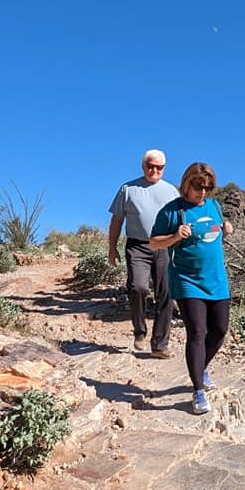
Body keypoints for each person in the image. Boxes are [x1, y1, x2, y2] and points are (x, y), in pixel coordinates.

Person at [149, 162, 233, 414]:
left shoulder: (214, 207)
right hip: (187, 280)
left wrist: (227, 229)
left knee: (219, 331)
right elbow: (153, 243)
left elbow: (215, 232)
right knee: (197, 332)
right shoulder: (172, 211)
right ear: (187, 184)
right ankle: (197, 391)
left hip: (217, 280)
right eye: (198, 187)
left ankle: (201, 368)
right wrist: (175, 236)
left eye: (208, 187)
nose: (203, 192)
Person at [108, 149, 179, 358]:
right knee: (138, 287)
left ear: (164, 169)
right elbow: (117, 220)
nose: (154, 170)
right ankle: (139, 331)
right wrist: (111, 248)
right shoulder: (128, 189)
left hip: (165, 246)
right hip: (137, 246)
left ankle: (160, 344)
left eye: (159, 167)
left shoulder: (171, 192)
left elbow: (181, 221)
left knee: (166, 293)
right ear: (143, 166)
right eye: (150, 166)